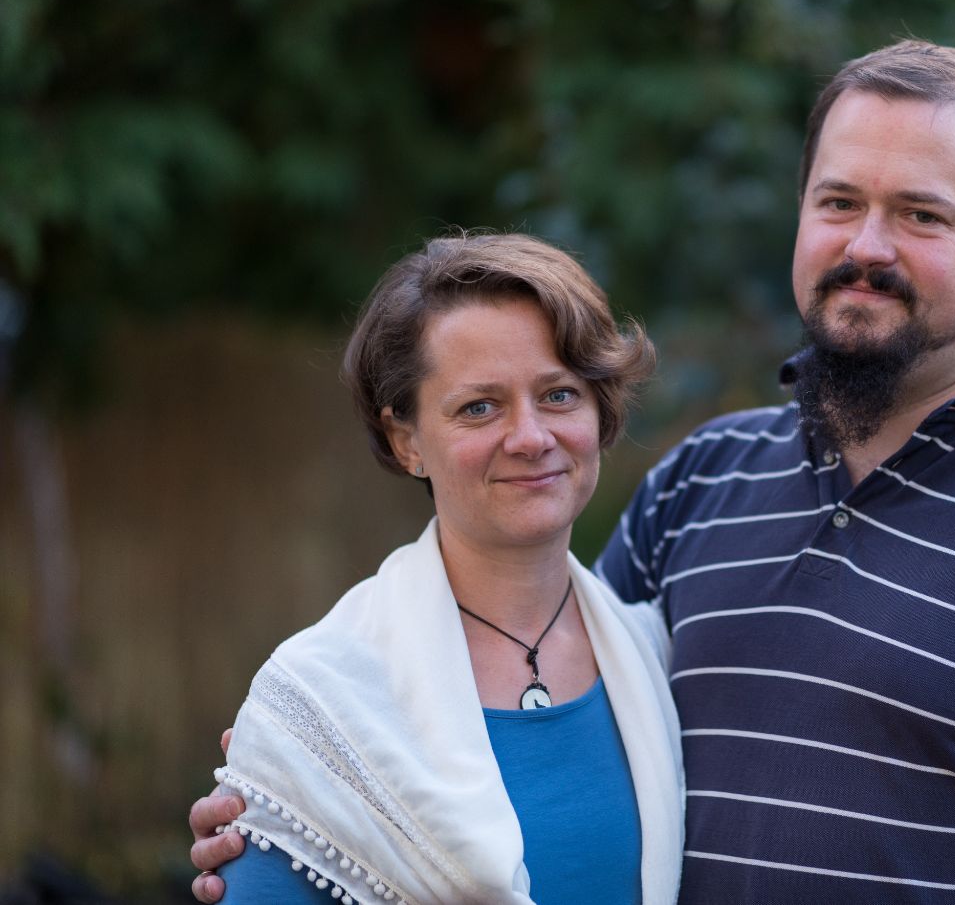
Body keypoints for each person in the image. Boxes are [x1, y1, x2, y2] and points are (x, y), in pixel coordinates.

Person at [193, 41, 955, 902]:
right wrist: (319, 793)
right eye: (839, 202)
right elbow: (539, 696)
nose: (866, 245)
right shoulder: (702, 486)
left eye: (920, 214)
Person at [193, 232, 683, 904]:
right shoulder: (318, 702)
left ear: (601, 412)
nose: (531, 436)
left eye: (559, 394)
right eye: (479, 407)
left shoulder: (659, 656)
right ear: (406, 440)